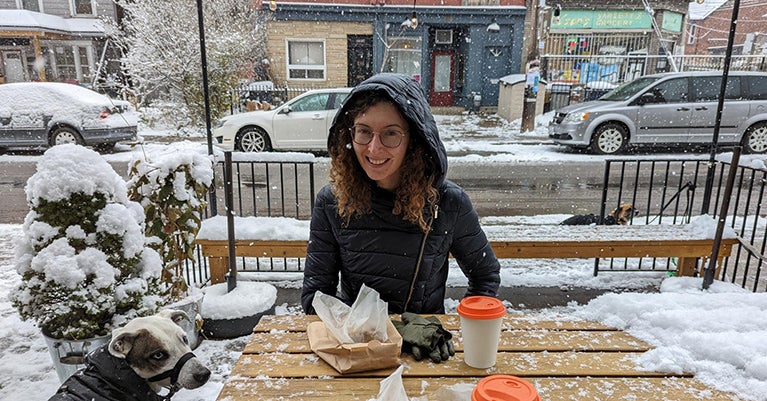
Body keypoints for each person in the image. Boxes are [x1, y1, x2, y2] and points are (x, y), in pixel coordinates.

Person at [301, 73, 501, 315]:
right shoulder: (332, 202)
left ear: (414, 139)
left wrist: (460, 329)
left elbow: (485, 275)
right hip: (360, 347)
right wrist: (355, 331)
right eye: (364, 131)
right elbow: (316, 296)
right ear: (349, 135)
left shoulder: (449, 203)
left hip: (423, 348)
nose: (374, 148)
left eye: (391, 133)